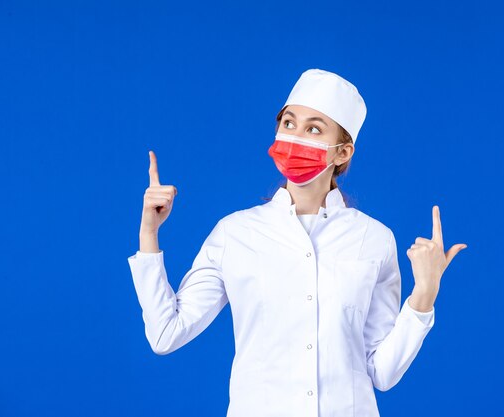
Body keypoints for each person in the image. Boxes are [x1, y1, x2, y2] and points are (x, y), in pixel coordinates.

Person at [127, 68, 467, 417]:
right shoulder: (236, 233)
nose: (296, 137)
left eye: (314, 129)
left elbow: (381, 371)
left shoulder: (374, 240)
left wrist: (423, 296)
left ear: (342, 152)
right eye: (289, 123)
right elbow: (165, 334)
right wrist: (149, 235)